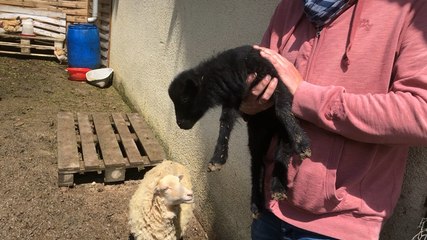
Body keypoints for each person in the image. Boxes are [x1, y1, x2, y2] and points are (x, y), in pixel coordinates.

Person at [239, 0, 427, 239]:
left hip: (341, 223)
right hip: (270, 206)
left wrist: (305, 96)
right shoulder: (292, 6)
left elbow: (420, 114)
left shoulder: (412, 8)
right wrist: (248, 104)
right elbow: (262, 83)